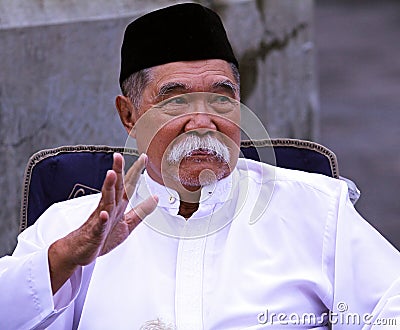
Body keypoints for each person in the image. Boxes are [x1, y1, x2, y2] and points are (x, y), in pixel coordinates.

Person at [1, 3, 400, 329]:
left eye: (222, 99)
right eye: (175, 100)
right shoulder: (68, 228)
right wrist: (66, 257)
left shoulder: (316, 210)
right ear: (129, 115)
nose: (203, 120)